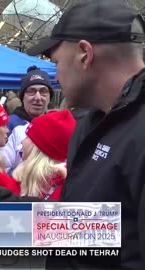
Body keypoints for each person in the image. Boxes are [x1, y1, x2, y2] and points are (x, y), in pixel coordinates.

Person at [27, 0, 145, 268]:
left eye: (56, 61)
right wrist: (9, 206)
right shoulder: (91, 122)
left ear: (84, 54)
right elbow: (98, 229)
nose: (55, 75)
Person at [0, 110, 75, 200]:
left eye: (27, 137)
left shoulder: (64, 193)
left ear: (38, 148)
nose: (22, 141)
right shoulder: (20, 178)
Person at [1, 66, 53, 175]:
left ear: (49, 97)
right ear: (22, 97)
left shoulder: (54, 126)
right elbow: (2, 172)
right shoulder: (9, 126)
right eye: (31, 91)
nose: (38, 97)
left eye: (43, 91)